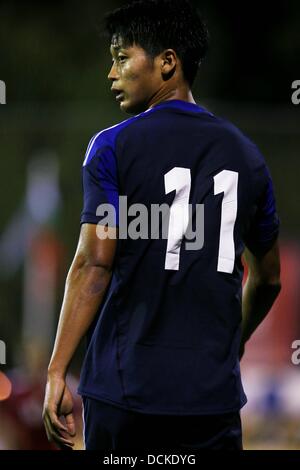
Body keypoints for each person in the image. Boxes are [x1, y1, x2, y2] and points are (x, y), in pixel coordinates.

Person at [42, 0, 281, 451]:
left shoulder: (113, 145)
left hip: (125, 395)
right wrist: (236, 342)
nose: (110, 74)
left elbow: (93, 265)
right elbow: (268, 277)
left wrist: (56, 371)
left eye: (120, 57)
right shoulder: (249, 157)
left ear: (168, 62)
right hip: (212, 401)